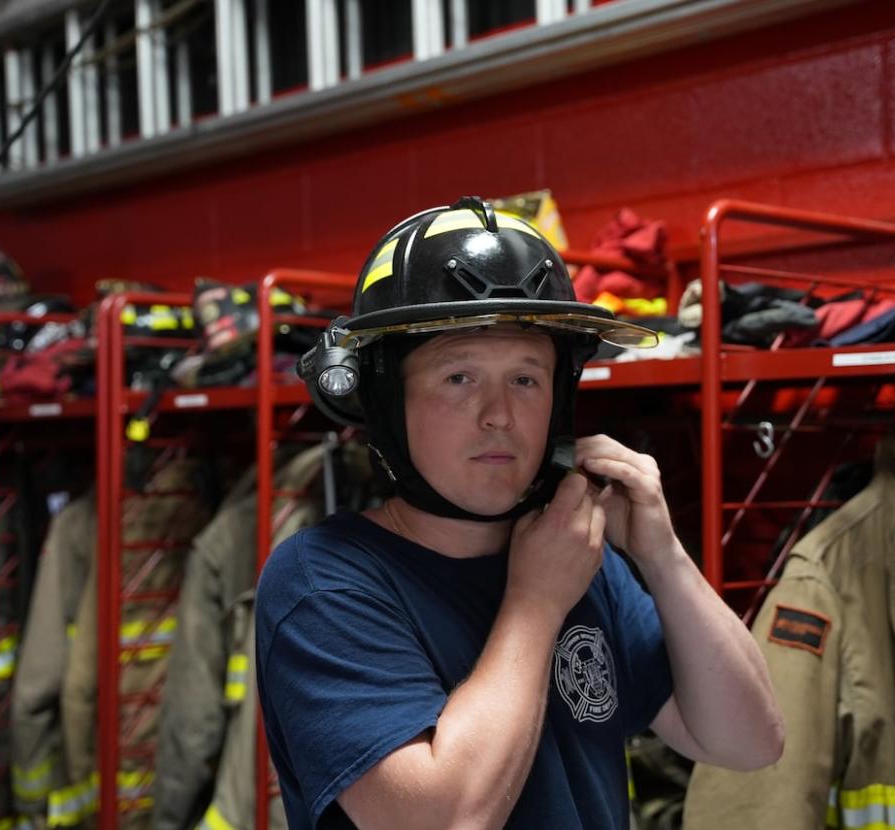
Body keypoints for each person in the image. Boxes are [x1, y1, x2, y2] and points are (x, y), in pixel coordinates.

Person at [258, 197, 784, 829]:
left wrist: (662, 556)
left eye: (527, 379)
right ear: (387, 400)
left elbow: (750, 742)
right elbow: (444, 821)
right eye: (459, 377)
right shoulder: (323, 581)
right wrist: (536, 602)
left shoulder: (578, 555)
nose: (499, 415)